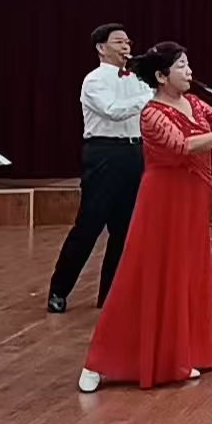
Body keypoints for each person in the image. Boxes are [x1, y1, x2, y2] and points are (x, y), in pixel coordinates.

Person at [79, 42, 212, 392]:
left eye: (188, 65)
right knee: (143, 276)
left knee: (185, 274)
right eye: (181, 66)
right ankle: (98, 363)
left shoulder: (194, 103)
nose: (189, 72)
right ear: (162, 76)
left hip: (193, 198)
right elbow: (181, 147)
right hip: (162, 200)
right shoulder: (151, 112)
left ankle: (178, 355)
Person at [47, 23, 150, 314]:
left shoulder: (138, 79)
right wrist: (150, 96)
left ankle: (111, 295)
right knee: (89, 225)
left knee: (125, 228)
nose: (126, 46)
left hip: (134, 151)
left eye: (128, 41)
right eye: (118, 41)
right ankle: (59, 289)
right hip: (104, 152)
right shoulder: (93, 80)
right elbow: (113, 110)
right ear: (101, 48)